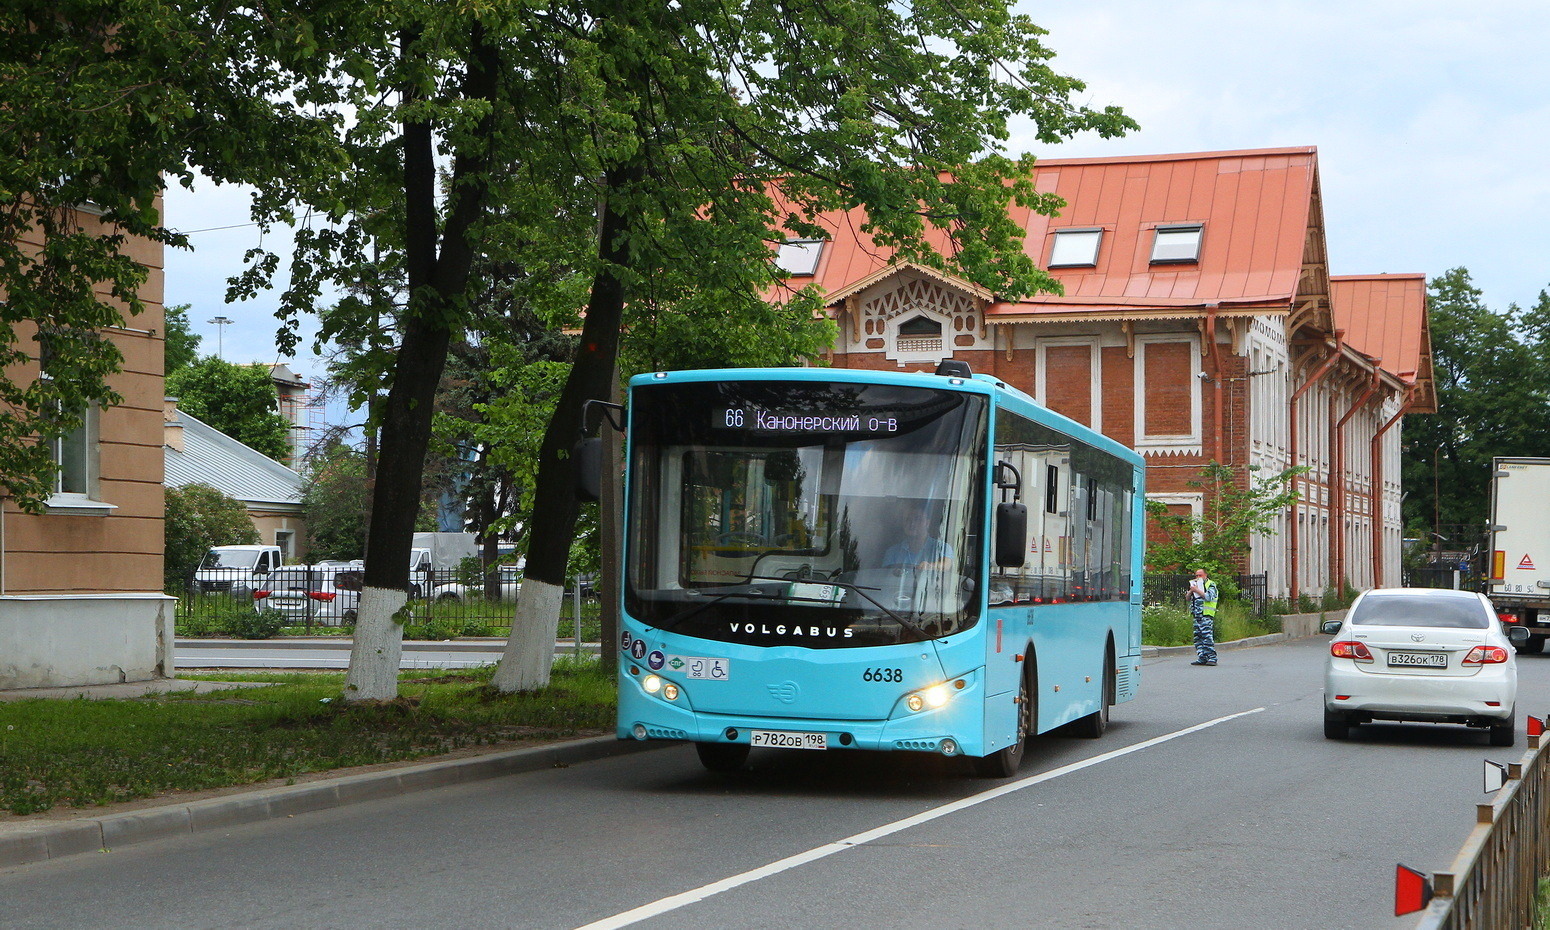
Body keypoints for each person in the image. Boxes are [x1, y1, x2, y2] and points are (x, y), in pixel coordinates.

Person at [882, 505, 954, 571]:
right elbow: (884, 576)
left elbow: (946, 565)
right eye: (908, 520)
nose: (912, 524)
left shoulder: (942, 547)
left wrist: (930, 566)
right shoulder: (892, 552)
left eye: (917, 519)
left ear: (927, 523)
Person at [1188, 567, 1219, 666]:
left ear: (1205, 575)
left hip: (1206, 614)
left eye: (1200, 575)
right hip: (1197, 615)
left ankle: (1212, 657)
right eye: (1196, 575)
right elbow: (1187, 598)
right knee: (1198, 637)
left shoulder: (1211, 585)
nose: (1198, 577)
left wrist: (1197, 590)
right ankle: (1202, 657)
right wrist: (1191, 591)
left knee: (1206, 636)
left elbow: (1209, 597)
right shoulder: (1195, 586)